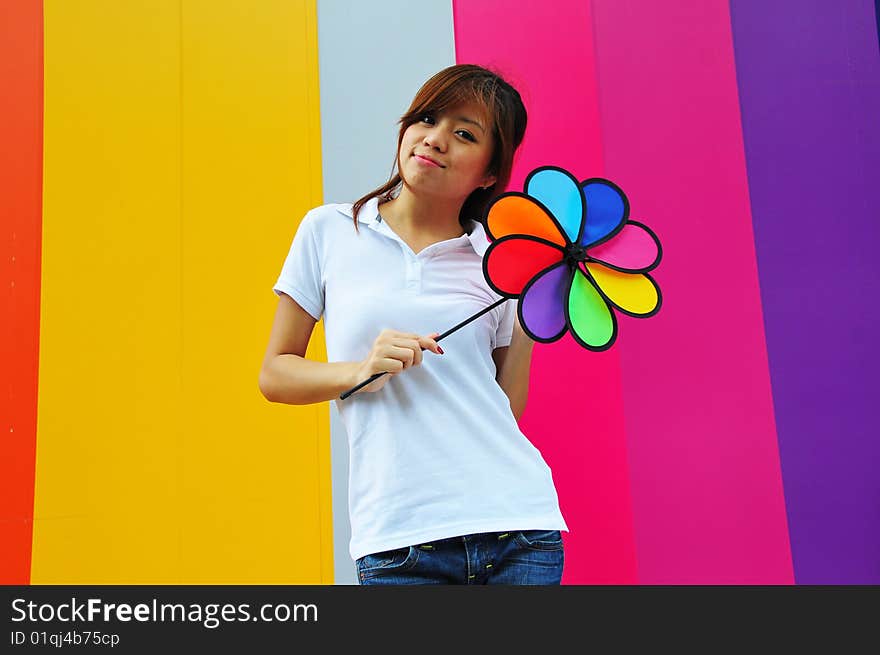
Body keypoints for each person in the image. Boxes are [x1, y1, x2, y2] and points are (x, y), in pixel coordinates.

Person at [259, 64, 568, 585]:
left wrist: (533, 308)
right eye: (427, 118)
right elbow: (275, 374)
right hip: (399, 539)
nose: (435, 139)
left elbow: (506, 408)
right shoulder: (330, 230)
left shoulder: (501, 260)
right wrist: (359, 370)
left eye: (464, 134)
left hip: (517, 526)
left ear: (490, 174)